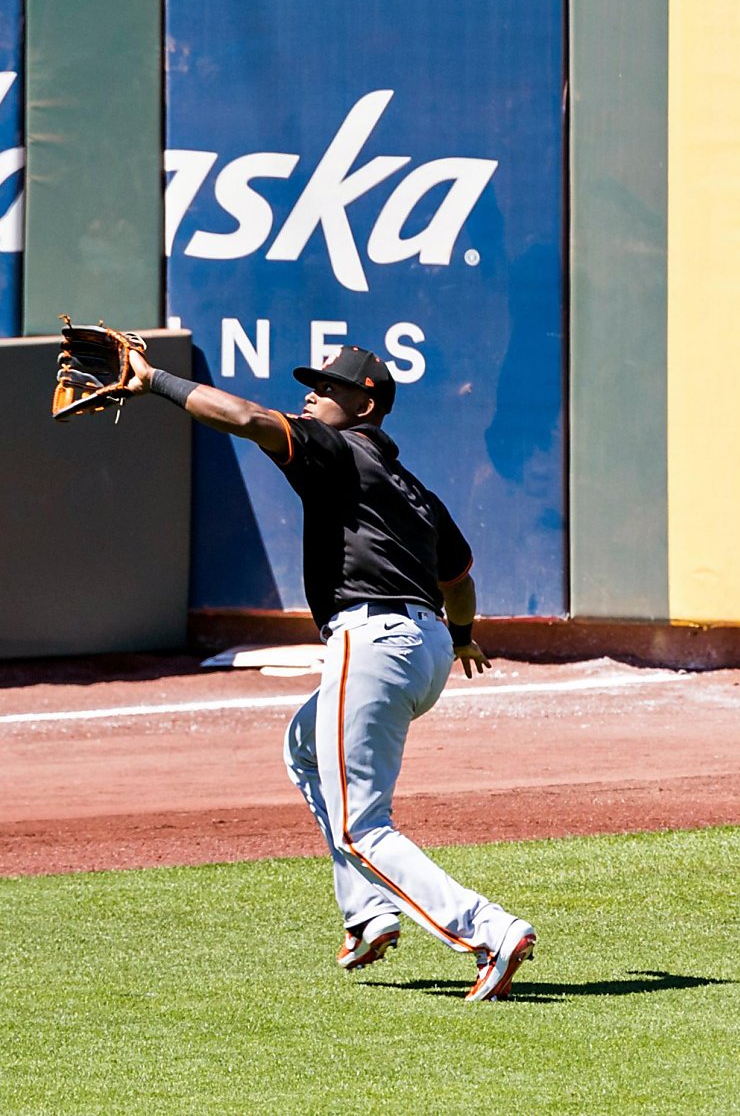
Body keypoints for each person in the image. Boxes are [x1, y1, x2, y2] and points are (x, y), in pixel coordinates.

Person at [124, 340, 536, 1002]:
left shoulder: (335, 448)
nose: (311, 394)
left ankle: (489, 930)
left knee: (362, 824)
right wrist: (462, 639)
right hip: (423, 648)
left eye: (327, 386)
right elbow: (458, 580)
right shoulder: (418, 493)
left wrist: (155, 381)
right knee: (304, 750)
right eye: (311, 384)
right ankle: (370, 913)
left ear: (365, 403)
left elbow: (245, 418)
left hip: (372, 639)